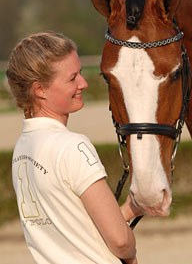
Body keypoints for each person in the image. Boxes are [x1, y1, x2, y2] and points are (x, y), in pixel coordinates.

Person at [6, 31, 142, 264]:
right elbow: (120, 241)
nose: (83, 83)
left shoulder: (22, 149)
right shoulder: (72, 146)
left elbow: (76, 230)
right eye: (72, 78)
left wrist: (131, 209)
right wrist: (130, 255)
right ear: (39, 90)